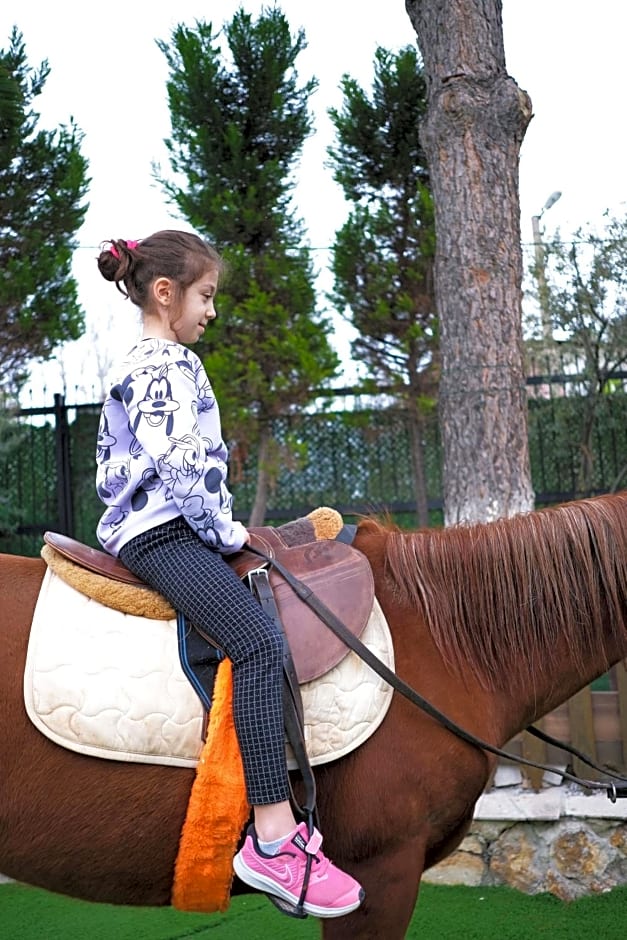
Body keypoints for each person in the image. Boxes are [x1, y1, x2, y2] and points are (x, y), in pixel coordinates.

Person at [95, 229, 364, 919]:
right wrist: (227, 532)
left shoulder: (165, 361)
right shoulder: (161, 365)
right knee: (256, 642)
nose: (211, 311)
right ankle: (271, 838)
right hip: (161, 533)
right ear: (165, 293)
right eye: (205, 295)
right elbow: (183, 467)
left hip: (172, 524)